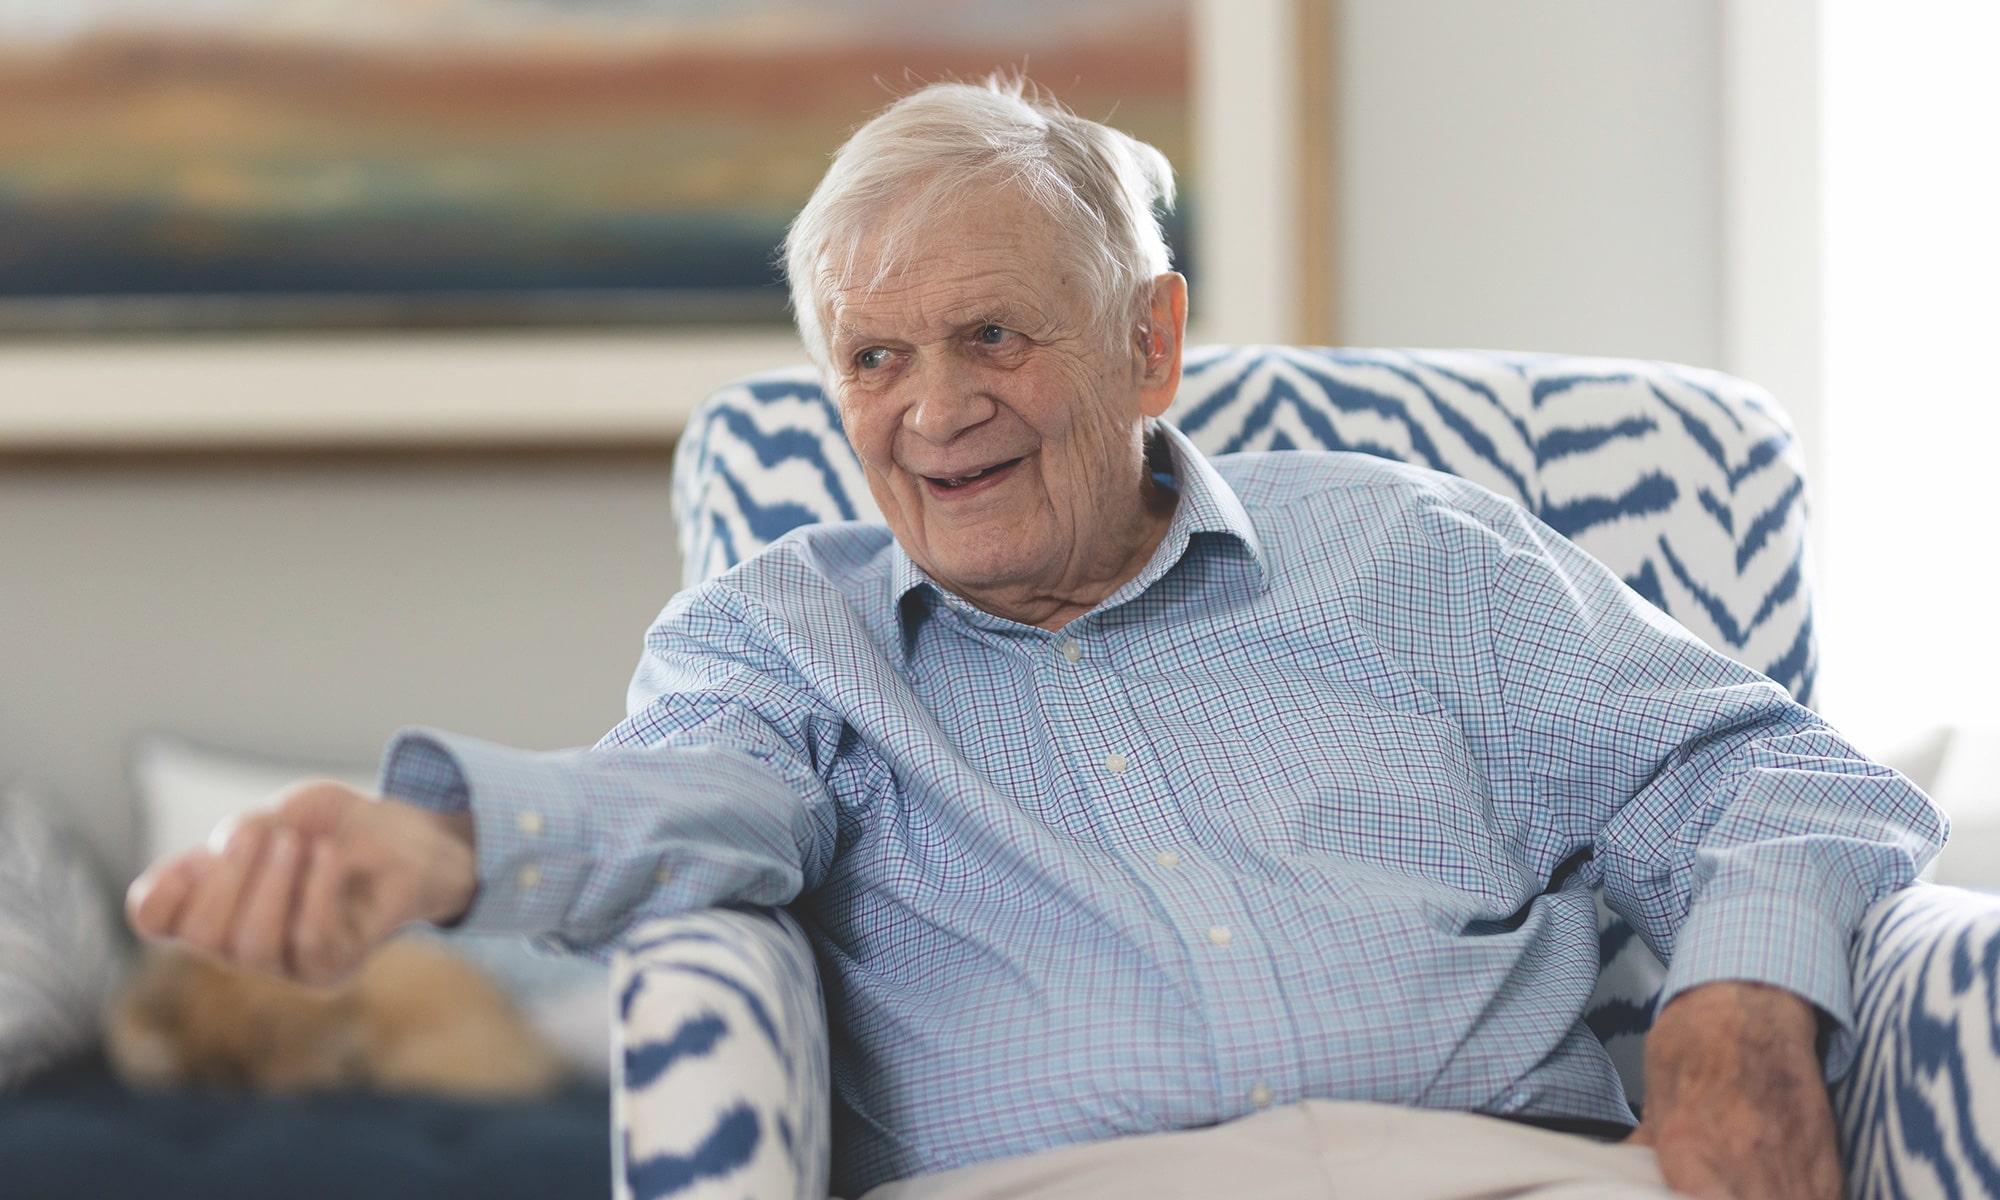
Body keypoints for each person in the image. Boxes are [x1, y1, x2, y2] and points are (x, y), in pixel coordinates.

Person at [128, 76, 1943, 1200]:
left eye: (996, 336)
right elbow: (671, 805)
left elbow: (1756, 769)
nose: (934, 411)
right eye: (875, 357)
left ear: (1147, 347)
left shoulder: (1408, 551)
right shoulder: (784, 646)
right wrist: (432, 843)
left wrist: (1738, 1001)